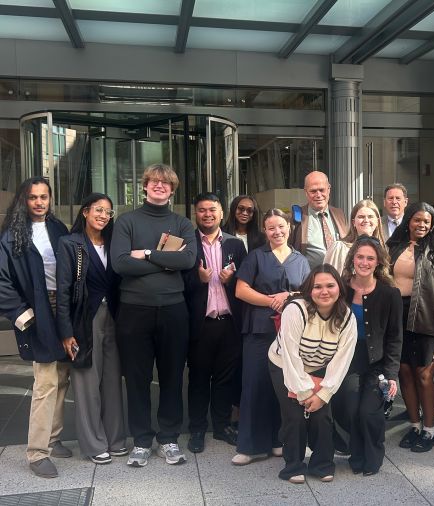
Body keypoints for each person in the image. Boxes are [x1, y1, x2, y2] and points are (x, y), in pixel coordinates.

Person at [111, 163, 197, 467]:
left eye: (166, 183)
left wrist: (146, 254)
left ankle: (169, 438)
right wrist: (166, 261)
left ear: (172, 190)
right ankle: (142, 441)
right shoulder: (126, 221)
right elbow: (121, 264)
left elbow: (188, 260)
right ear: (145, 186)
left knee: (173, 376)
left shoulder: (183, 223)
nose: (159, 186)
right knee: (137, 378)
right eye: (154, 182)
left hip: (174, 310)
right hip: (134, 310)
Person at [0, 177, 70, 478]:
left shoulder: (58, 229)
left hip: (63, 309)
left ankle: (52, 439)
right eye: (33, 197)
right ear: (23, 200)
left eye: (44, 197)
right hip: (37, 311)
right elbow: (2, 281)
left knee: (63, 376)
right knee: (45, 382)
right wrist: (22, 314)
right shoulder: (11, 236)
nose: (39, 202)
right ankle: (37, 452)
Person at [233, 208, 311, 465]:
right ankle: (250, 446)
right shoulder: (256, 256)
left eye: (281, 226)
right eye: (271, 228)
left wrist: (287, 296)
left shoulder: (300, 259)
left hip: (290, 332)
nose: (277, 232)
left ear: (289, 227)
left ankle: (279, 440)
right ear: (265, 231)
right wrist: (271, 300)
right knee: (255, 385)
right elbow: (241, 290)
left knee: (285, 387)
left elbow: (307, 293)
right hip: (259, 329)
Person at [268, 264, 357, 484]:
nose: (324, 291)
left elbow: (341, 361)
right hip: (283, 365)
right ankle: (293, 465)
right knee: (295, 415)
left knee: (322, 415)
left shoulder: (346, 317)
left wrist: (323, 395)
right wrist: (304, 393)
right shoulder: (295, 309)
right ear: (309, 289)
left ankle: (322, 464)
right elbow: (290, 356)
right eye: (317, 286)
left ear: (339, 288)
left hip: (319, 367)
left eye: (330, 285)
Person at [56, 193, 126, 465]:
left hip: (115, 317)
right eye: (98, 210)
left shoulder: (115, 243)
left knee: (112, 381)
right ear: (85, 212)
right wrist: (66, 331)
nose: (103, 215)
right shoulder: (70, 244)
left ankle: (116, 439)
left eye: (108, 212)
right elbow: (63, 290)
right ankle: (94, 444)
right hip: (85, 318)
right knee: (86, 383)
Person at [387, 202, 434, 453]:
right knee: (405, 373)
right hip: (397, 318)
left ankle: (430, 430)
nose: (421, 225)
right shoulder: (393, 247)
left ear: (432, 225)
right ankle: (415, 425)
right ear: (408, 221)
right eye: (417, 220)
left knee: (424, 375)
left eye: (426, 221)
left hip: (429, 320)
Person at [183, 193, 247, 454]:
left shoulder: (235, 245)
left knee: (224, 379)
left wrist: (232, 280)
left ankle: (221, 426)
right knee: (198, 378)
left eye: (212, 209)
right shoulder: (187, 245)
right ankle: (197, 429)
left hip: (229, 323)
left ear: (221, 213)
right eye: (201, 210)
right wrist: (197, 279)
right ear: (195, 214)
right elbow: (177, 285)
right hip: (201, 323)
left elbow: (246, 283)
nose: (207, 214)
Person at [333, 236, 402, 475]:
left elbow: (395, 337)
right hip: (346, 360)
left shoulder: (389, 293)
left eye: (370, 258)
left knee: (369, 412)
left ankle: (373, 457)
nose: (364, 262)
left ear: (378, 262)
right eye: (360, 257)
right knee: (350, 408)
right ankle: (357, 453)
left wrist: (392, 374)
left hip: (377, 363)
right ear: (353, 259)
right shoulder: (340, 287)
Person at [290, 171, 348, 268]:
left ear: (329, 189)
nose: (318, 195)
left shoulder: (339, 214)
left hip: (338, 278)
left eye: (322, 190)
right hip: (310, 278)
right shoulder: (297, 216)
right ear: (306, 192)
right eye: (313, 191)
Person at [324, 199, 385, 273]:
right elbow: (327, 278)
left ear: (377, 222)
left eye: (370, 217)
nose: (366, 220)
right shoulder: (340, 248)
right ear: (353, 222)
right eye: (361, 217)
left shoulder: (383, 250)